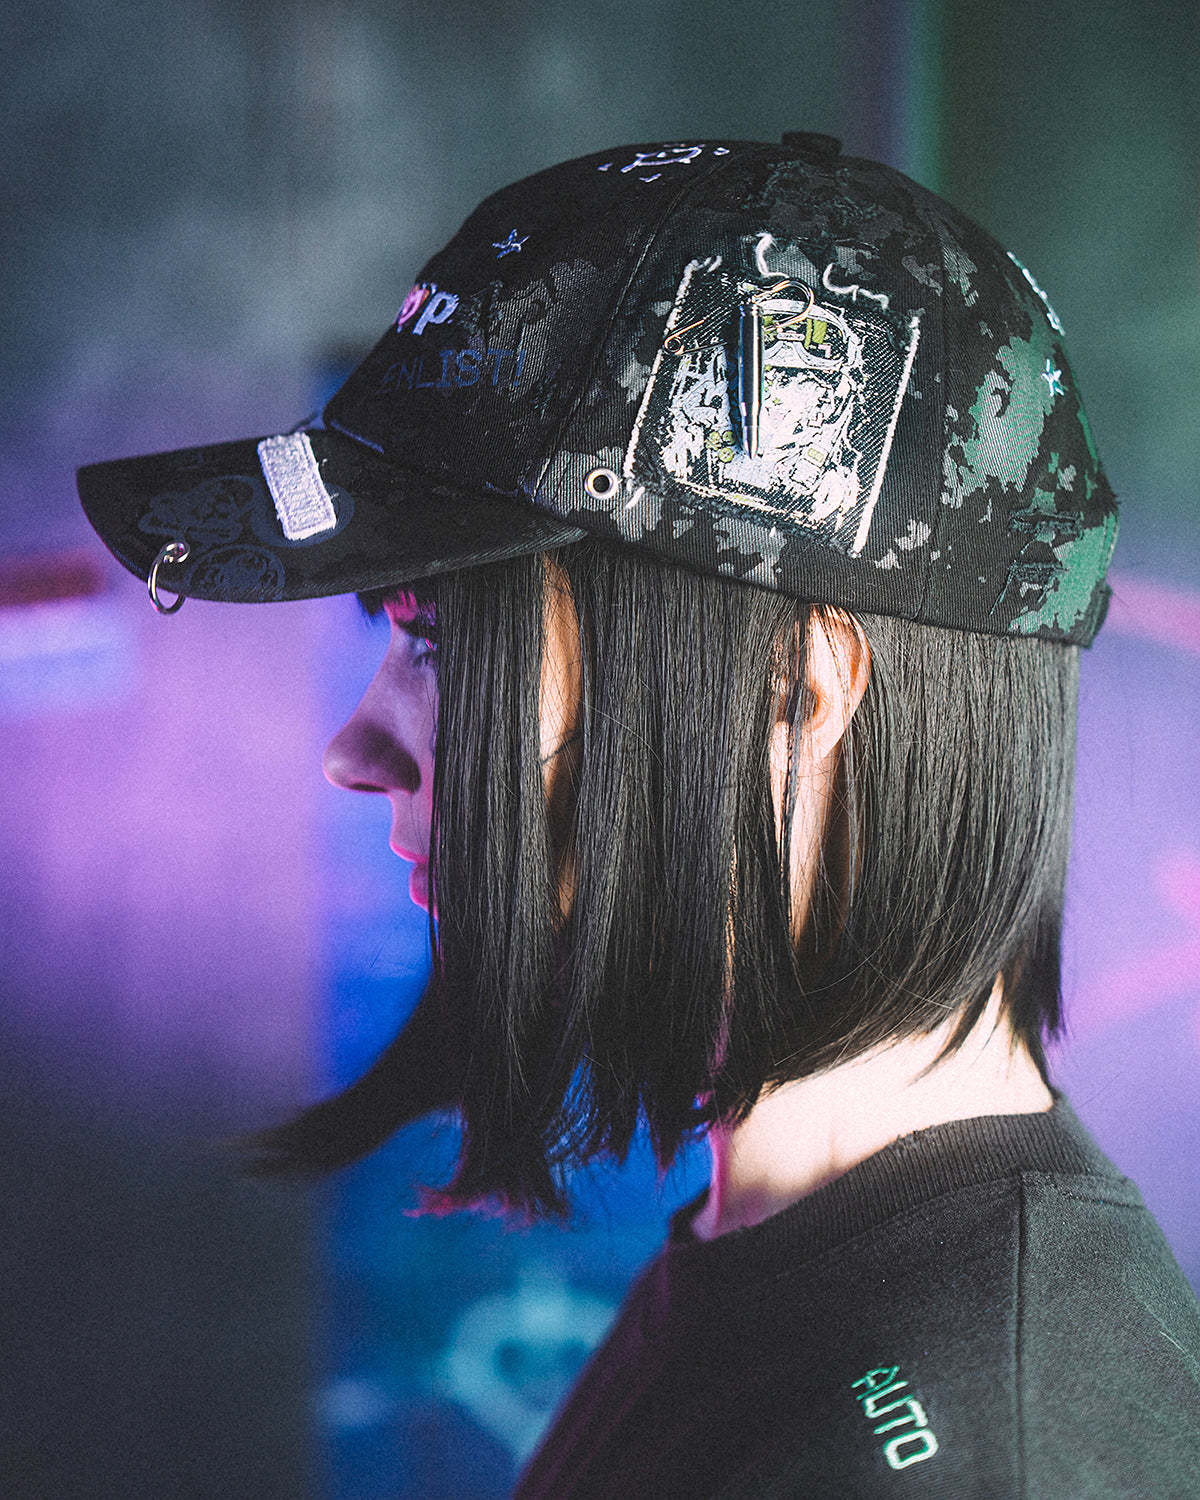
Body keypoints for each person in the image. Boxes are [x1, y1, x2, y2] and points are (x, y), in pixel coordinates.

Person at [78, 133, 1200, 1496]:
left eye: (438, 645)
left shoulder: (1004, 1454)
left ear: (793, 691)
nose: (354, 750)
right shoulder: (787, 1246)